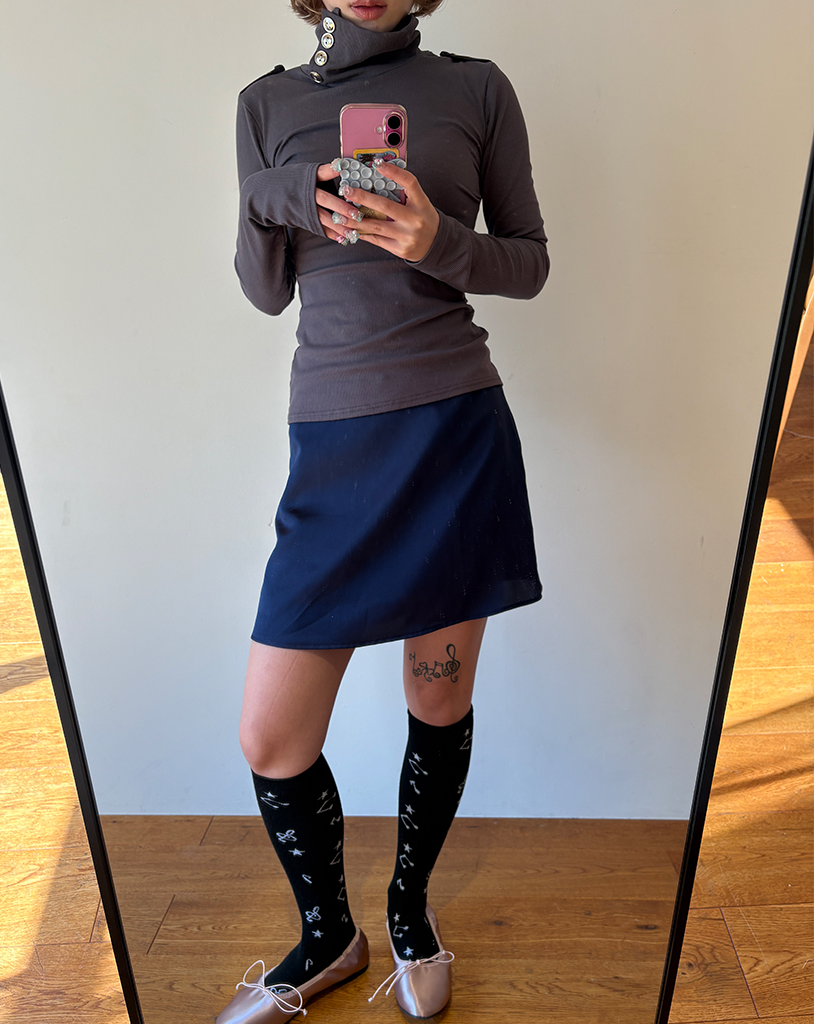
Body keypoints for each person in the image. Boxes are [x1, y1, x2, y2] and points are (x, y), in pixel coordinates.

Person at [218, 0, 548, 1020]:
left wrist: (440, 240)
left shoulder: (476, 88)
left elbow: (529, 261)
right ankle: (330, 936)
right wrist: (277, 193)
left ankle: (408, 910)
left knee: (435, 700)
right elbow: (263, 290)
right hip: (333, 451)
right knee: (271, 736)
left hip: (453, 439)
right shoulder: (266, 104)